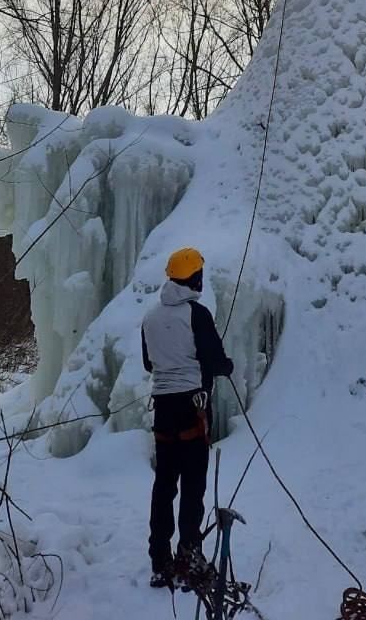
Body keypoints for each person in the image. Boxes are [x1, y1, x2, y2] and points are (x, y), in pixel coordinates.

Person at [142, 246, 234, 589]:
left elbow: (149, 363)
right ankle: (189, 554)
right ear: (194, 278)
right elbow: (213, 360)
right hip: (193, 408)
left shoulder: (150, 317)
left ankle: (159, 560)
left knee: (164, 486)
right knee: (193, 487)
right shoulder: (196, 314)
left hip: (163, 409)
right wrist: (226, 367)